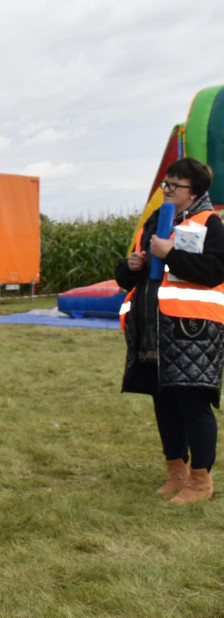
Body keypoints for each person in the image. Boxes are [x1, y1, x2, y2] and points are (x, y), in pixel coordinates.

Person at [116, 158, 224, 504]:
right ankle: (175, 471)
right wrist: (131, 266)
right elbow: (131, 275)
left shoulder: (210, 222)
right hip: (154, 327)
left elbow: (214, 271)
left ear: (194, 191)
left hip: (194, 329)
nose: (166, 190)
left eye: (173, 186)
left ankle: (200, 480)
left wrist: (171, 253)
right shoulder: (155, 221)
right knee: (164, 400)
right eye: (165, 184)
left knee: (193, 401)